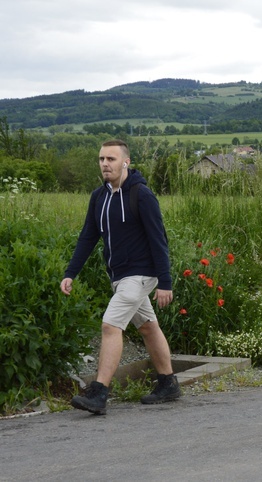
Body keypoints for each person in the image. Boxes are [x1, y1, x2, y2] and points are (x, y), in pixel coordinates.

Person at [60, 139, 180, 415]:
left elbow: (159, 240)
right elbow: (88, 237)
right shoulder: (98, 197)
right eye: (101, 159)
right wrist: (71, 273)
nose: (105, 164)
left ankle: (99, 392)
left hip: (140, 274)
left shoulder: (141, 195)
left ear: (126, 161)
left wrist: (165, 282)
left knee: (110, 325)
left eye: (111, 159)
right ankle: (168, 383)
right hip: (119, 275)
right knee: (148, 326)